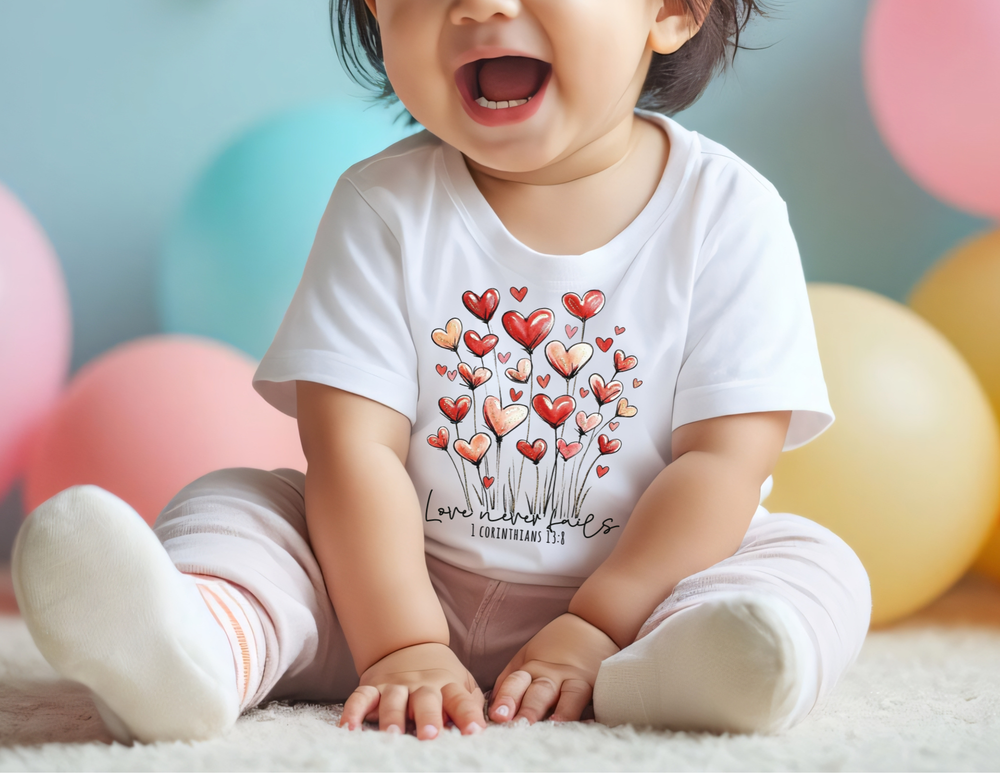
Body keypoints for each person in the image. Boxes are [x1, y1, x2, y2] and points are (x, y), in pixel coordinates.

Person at [12, 0, 871, 744]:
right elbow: (351, 450)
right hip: (379, 580)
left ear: (674, 10)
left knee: (813, 563)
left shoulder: (728, 213)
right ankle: (194, 646)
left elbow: (723, 462)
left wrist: (598, 625)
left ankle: (680, 672)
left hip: (645, 592)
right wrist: (401, 642)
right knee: (240, 502)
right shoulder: (382, 206)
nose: (478, 6)